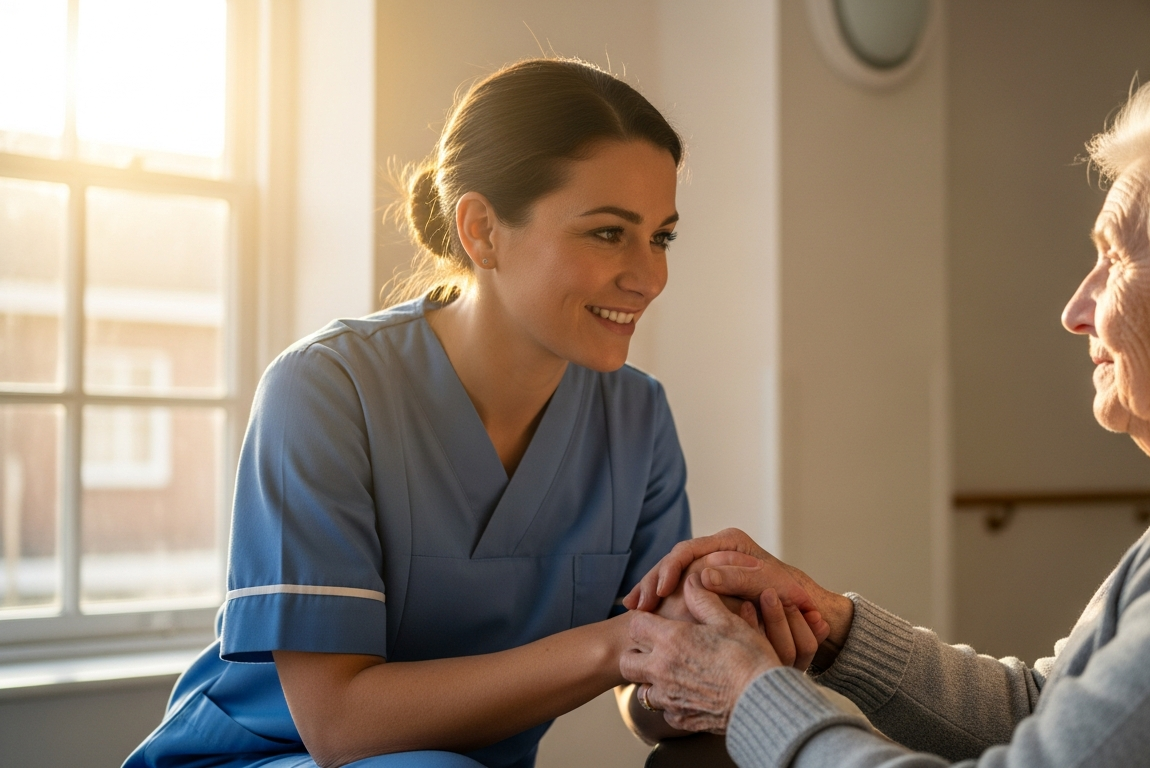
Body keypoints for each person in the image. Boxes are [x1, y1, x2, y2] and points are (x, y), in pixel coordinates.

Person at [621, 64, 1150, 768]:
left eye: (1118, 259)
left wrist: (751, 697)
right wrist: (836, 632)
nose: (1077, 309)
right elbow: (1049, 713)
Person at [124, 58, 817, 768]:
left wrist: (713, 646)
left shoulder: (637, 416)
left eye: (661, 236)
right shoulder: (325, 390)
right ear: (482, 229)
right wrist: (624, 644)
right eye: (609, 233)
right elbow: (338, 724)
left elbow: (638, 698)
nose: (650, 276)